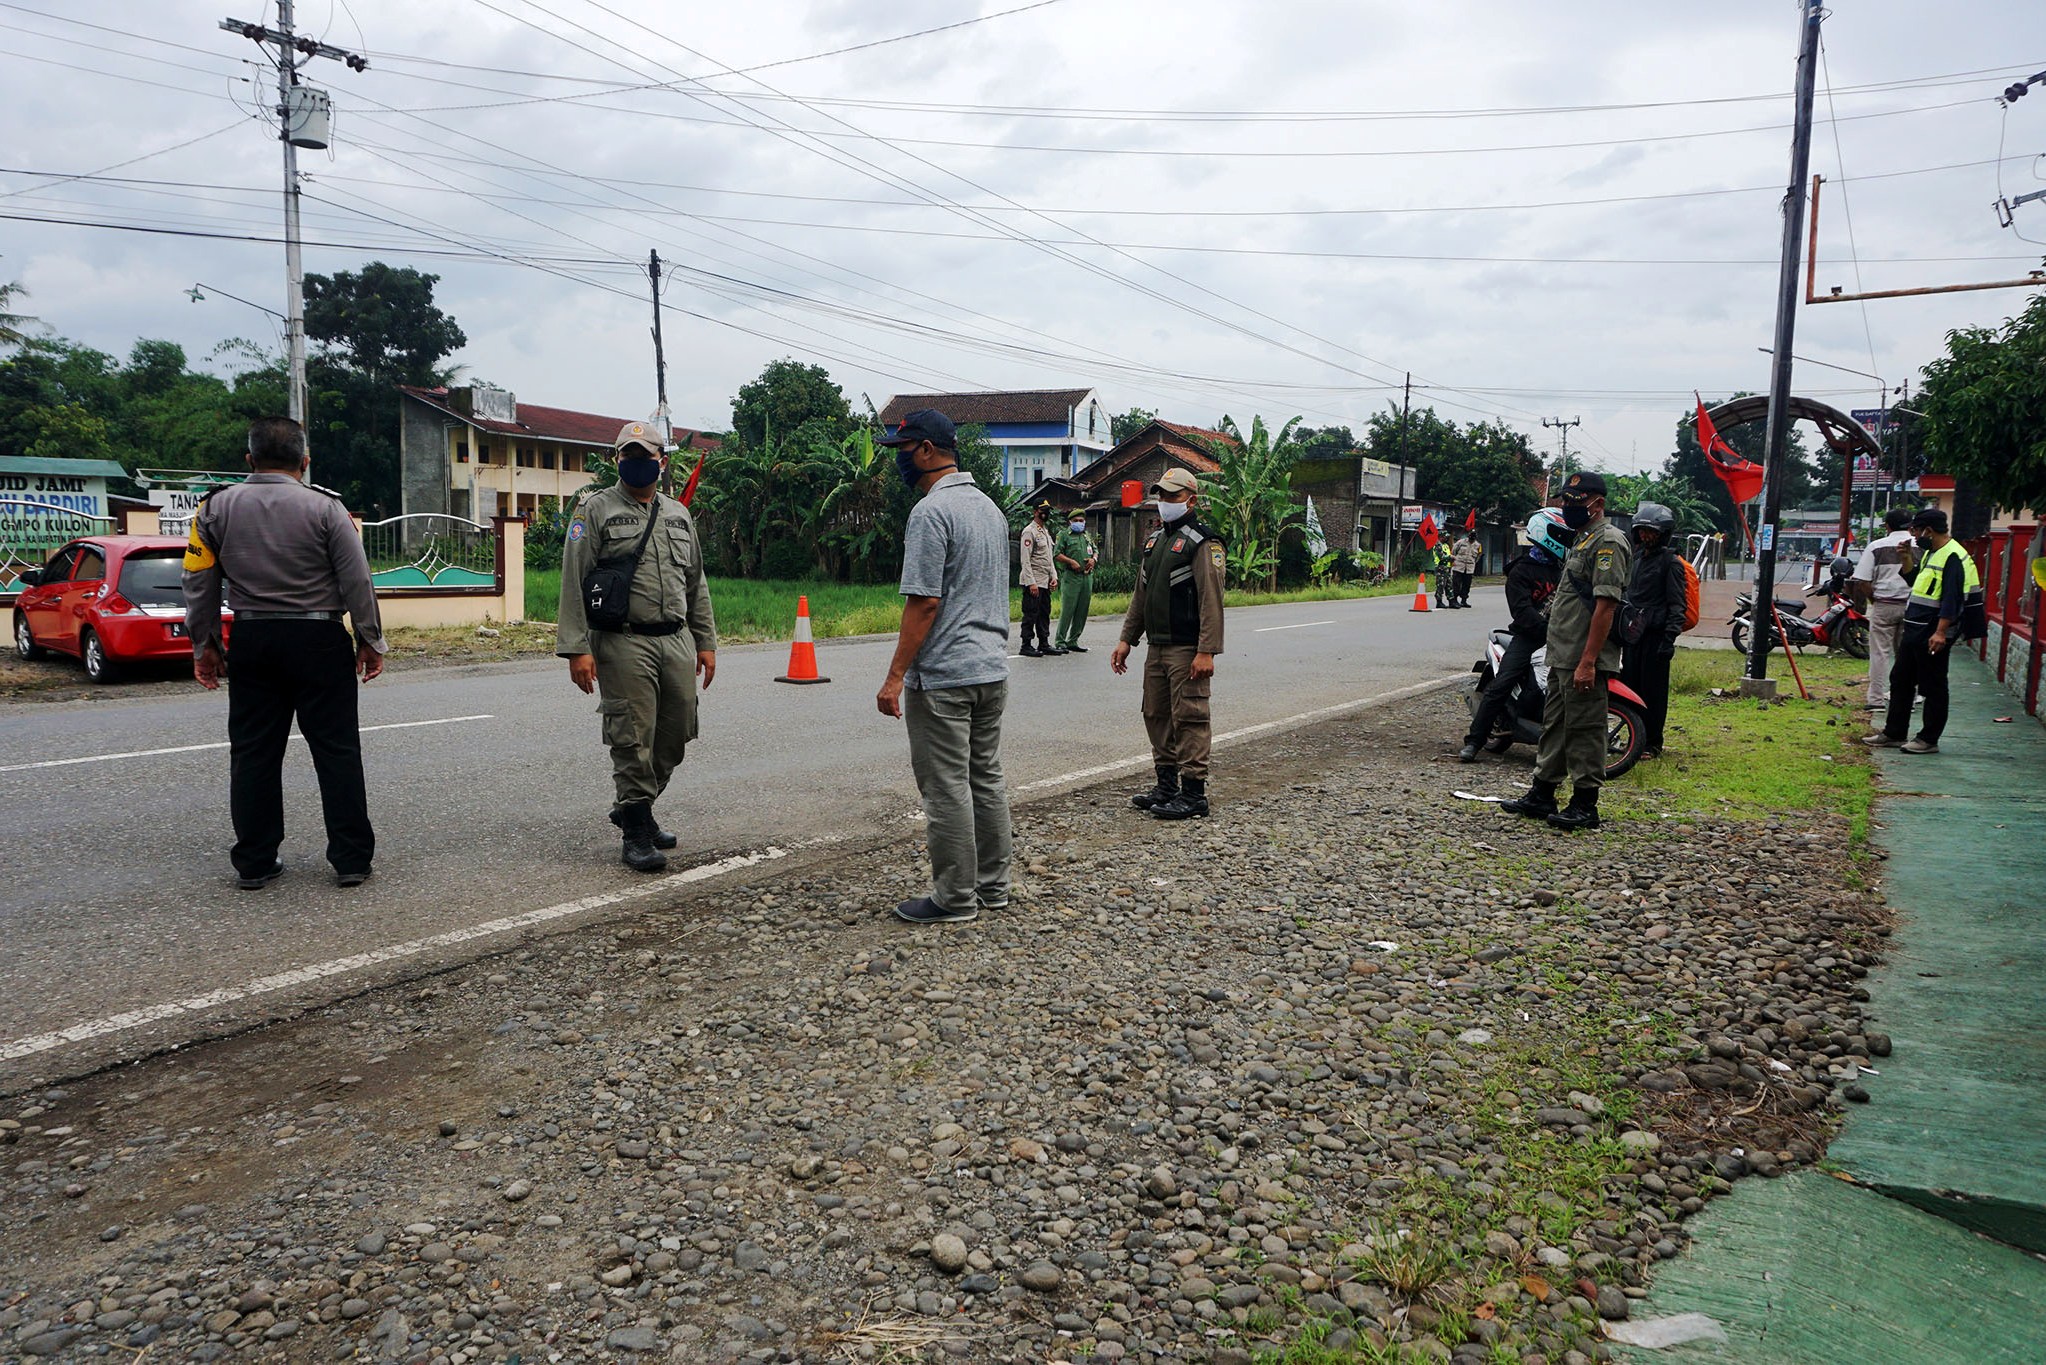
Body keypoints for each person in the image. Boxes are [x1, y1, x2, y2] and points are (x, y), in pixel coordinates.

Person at [182, 415, 384, 890]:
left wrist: (204, 644)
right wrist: (370, 639)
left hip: (253, 639)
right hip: (319, 640)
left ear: (249, 459)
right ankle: (351, 859)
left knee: (253, 752)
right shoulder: (327, 509)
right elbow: (357, 579)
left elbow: (197, 581)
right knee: (336, 750)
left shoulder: (213, 509)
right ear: (305, 461)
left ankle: (255, 861)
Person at [556, 422, 718, 872]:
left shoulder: (677, 513)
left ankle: (635, 807)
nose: (637, 461)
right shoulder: (595, 509)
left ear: (661, 461)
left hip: (676, 638)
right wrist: (576, 648)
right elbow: (573, 578)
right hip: (623, 641)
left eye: (645, 454)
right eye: (628, 454)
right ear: (617, 460)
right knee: (632, 738)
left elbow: (696, 582)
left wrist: (706, 641)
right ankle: (636, 831)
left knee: (676, 734)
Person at [875, 409, 1013, 925]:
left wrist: (895, 676)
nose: (900, 461)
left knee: (946, 786)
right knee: (986, 779)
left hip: (945, 676)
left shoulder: (931, 513)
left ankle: (954, 897)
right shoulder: (990, 509)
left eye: (903, 451)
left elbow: (924, 602)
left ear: (927, 450)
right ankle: (993, 887)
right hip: (990, 668)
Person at [1502, 471, 1631, 831]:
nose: (1568, 507)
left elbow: (1605, 607)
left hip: (1583, 657)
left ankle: (1585, 804)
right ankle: (1542, 793)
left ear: (1598, 504)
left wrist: (1588, 661)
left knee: (1585, 728)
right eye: (1565, 501)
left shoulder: (1608, 542)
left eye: (1576, 502)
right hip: (1562, 654)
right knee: (1555, 726)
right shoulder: (1582, 539)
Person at [1113, 468, 1226, 820]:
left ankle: (1193, 793)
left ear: (1191, 500)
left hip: (1186, 647)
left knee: (1189, 717)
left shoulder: (1203, 542)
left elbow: (1211, 599)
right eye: (1161, 495)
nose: (1165, 501)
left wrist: (1206, 650)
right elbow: (1141, 595)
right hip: (1157, 645)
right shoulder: (1156, 541)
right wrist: (1126, 639)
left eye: (1172, 496)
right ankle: (1166, 785)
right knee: (1156, 714)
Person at [1863, 507, 1985, 755]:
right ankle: (1894, 732)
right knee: (1901, 679)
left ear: (1929, 530)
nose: (1914, 536)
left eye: (1916, 531)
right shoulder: (1933, 553)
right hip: (1916, 628)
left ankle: (1928, 739)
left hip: (1933, 631)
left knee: (1933, 685)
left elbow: (1952, 599)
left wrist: (1940, 632)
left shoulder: (1953, 556)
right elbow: (1916, 582)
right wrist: (1906, 558)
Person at [1458, 509, 1567, 762]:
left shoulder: (1564, 569)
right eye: (1561, 535)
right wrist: (1547, 630)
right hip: (1528, 638)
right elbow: (1522, 613)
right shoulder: (1521, 572)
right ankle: (1474, 741)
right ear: (1545, 533)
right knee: (1501, 685)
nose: (1565, 540)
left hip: (1563, 637)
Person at [1619, 502, 1687, 759]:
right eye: (1642, 531)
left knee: (1653, 693)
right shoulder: (1636, 559)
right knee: (1630, 688)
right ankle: (1634, 737)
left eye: (1651, 532)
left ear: (1663, 534)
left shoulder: (1671, 563)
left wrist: (1668, 640)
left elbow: (1677, 605)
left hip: (1656, 638)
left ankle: (1652, 743)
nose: (1646, 536)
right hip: (1632, 636)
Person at [1849, 506, 1917, 713]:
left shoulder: (1876, 547)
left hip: (1884, 604)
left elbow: (1863, 580)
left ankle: (1876, 700)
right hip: (1914, 607)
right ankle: (1907, 699)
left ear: (1887, 526)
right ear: (1911, 525)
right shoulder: (1921, 547)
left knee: (1879, 654)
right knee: (1907, 655)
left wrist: (1874, 599)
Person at [1018, 499, 1060, 656]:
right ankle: (1026, 645)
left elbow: (1049, 558)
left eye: (1048, 511)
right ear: (1035, 512)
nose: (1046, 514)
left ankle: (1044, 643)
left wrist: (1053, 576)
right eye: (1043, 510)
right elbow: (1025, 560)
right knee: (1030, 613)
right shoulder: (1029, 531)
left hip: (1045, 581)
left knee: (1044, 613)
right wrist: (1031, 583)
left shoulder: (1045, 532)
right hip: (1033, 581)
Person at [1053, 509, 1097, 653]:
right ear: (1070, 522)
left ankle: (1073, 640)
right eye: (1076, 521)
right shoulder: (1064, 535)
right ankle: (1060, 641)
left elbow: (1095, 550)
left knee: (1082, 609)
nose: (1079, 523)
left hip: (1087, 576)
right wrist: (1071, 561)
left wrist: (1093, 559)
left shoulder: (1086, 535)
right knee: (1068, 609)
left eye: (1081, 521)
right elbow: (1057, 554)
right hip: (1071, 576)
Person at [1451, 531, 1480, 608]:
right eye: (1470, 538)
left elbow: (1478, 556)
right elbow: (1454, 551)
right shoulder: (1461, 542)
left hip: (1469, 568)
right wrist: (1455, 560)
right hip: (1458, 566)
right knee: (1456, 584)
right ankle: (1455, 600)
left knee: (1467, 585)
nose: (1471, 540)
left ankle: (1464, 600)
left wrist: (1473, 563)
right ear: (1468, 537)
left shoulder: (1478, 545)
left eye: (1473, 539)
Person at [1433, 538, 1454, 608]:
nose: (1446, 538)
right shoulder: (1438, 545)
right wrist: (1450, 557)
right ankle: (1439, 602)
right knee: (1441, 585)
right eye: (1445, 536)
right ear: (1441, 537)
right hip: (1440, 567)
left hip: (1447, 567)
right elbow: (1441, 557)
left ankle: (1451, 601)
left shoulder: (1446, 545)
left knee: (1449, 584)